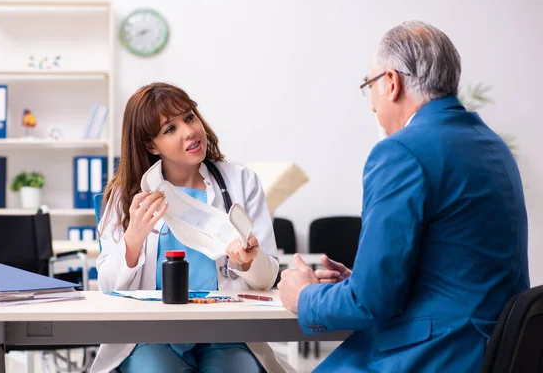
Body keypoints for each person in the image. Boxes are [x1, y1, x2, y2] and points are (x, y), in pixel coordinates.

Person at [278, 21, 529, 372]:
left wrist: (303, 296)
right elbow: (455, 266)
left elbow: (371, 303)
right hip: (493, 349)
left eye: (370, 87)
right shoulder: (491, 145)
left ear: (392, 82)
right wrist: (359, 278)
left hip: (434, 354)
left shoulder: (401, 152)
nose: (372, 107)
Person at [90, 82, 293, 373]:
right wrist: (133, 239)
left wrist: (249, 262)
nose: (189, 132)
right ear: (151, 145)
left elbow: (267, 278)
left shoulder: (240, 181)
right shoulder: (124, 196)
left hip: (225, 333)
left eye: (189, 117)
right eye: (169, 129)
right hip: (151, 335)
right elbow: (109, 289)